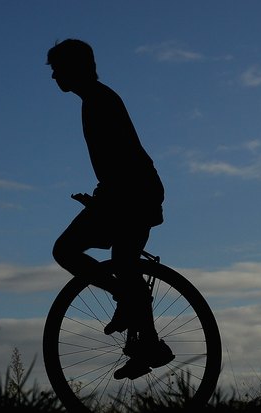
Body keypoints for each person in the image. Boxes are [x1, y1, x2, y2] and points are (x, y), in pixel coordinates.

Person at [47, 38, 174, 380]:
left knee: (67, 250)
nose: (54, 76)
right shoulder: (97, 99)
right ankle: (146, 341)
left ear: (76, 68)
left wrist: (104, 198)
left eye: (58, 68)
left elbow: (121, 159)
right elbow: (119, 159)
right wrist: (101, 196)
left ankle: (127, 303)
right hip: (135, 192)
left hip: (133, 194)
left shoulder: (99, 102)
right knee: (125, 263)